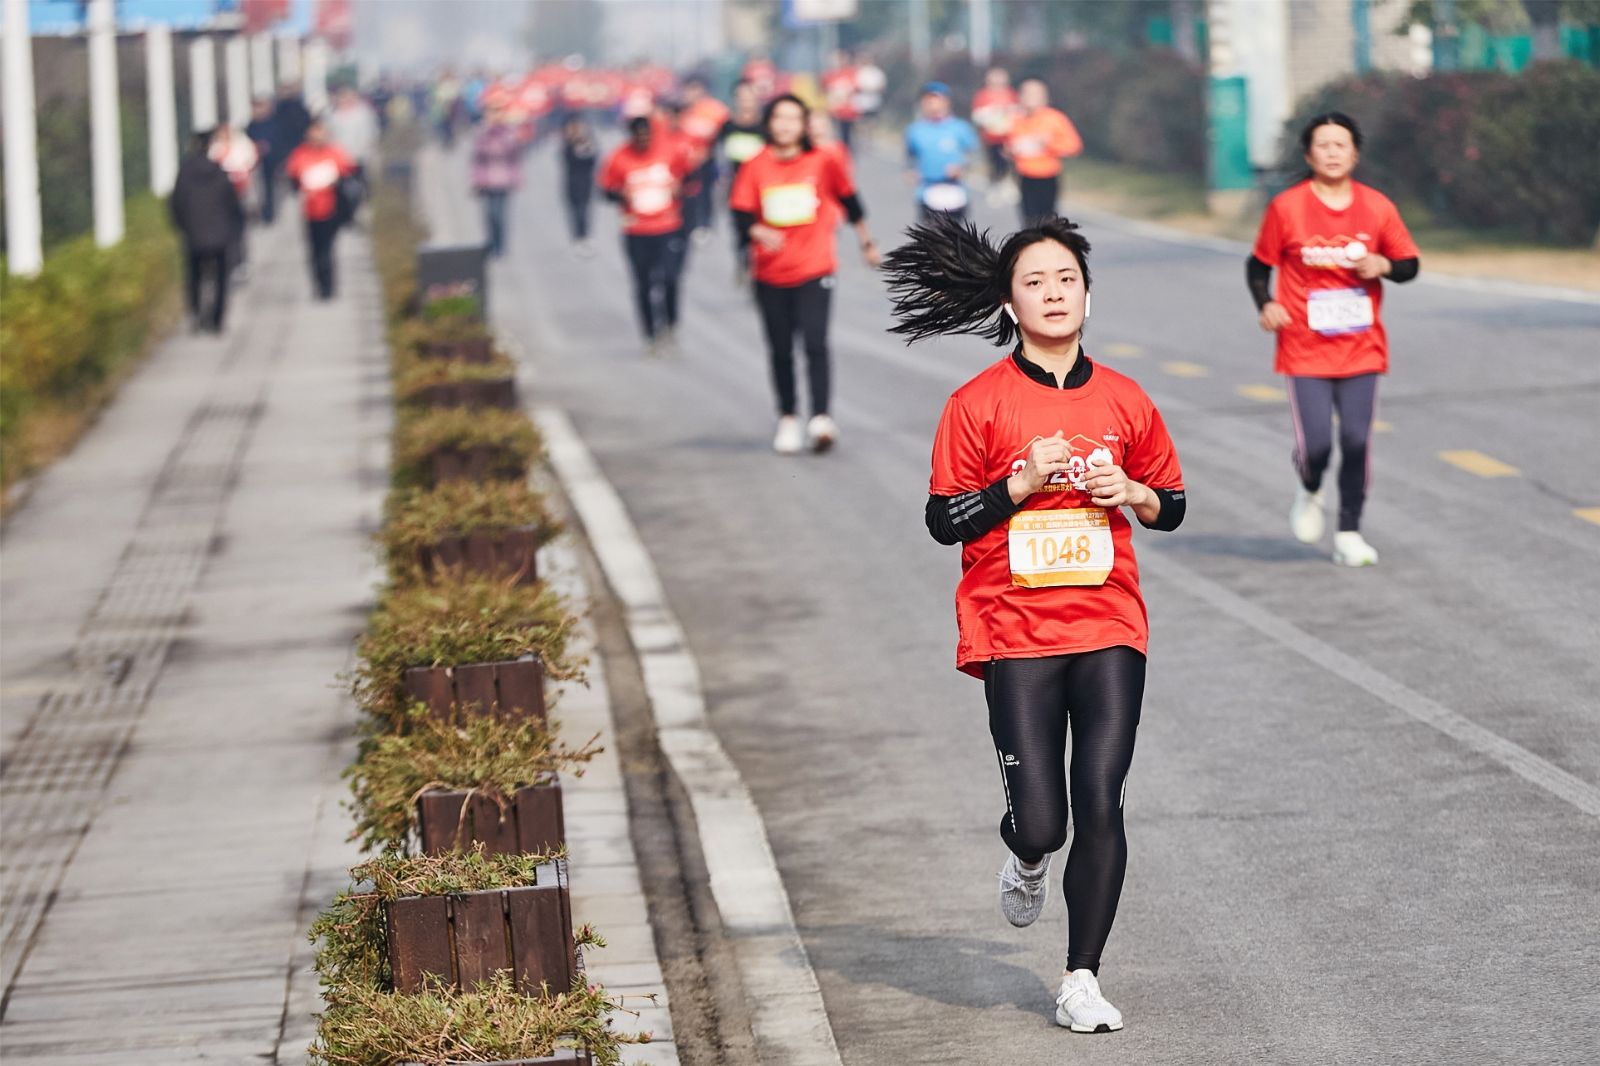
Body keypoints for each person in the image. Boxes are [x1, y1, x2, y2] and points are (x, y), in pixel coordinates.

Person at [882, 213, 1185, 1037]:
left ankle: (1081, 976)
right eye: (1035, 284)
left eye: (1066, 281)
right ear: (1010, 304)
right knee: (1045, 821)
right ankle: (1024, 854)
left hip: (1110, 624)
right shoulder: (977, 403)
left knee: (1103, 800)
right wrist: (1017, 487)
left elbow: (1173, 506)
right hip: (1014, 630)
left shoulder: (1126, 398)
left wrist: (1133, 494)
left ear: (1088, 295)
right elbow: (945, 520)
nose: (1053, 294)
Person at [1248, 111, 1419, 567]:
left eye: (1340, 144)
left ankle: (1348, 532)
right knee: (1318, 445)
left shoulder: (1377, 207)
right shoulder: (1287, 207)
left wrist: (1383, 265)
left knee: (1359, 441)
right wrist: (1267, 304)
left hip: (1362, 347)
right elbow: (1258, 265)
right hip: (1304, 348)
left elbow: (1409, 265)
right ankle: (1308, 488)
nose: (1332, 152)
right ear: (1309, 154)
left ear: (1355, 153)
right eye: (1322, 145)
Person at [729, 94, 880, 455]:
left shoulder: (822, 161)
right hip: (770, 273)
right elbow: (740, 214)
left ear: (804, 125)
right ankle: (788, 417)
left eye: (793, 119)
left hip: (815, 268)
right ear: (768, 123)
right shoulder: (754, 166)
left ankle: (821, 418)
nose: (785, 125)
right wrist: (756, 232)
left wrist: (866, 242)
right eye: (779, 118)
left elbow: (850, 199)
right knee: (781, 349)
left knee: (814, 343)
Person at [600, 115, 691, 355]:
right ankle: (650, 334)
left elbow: (691, 178)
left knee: (670, 279)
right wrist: (622, 195)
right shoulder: (619, 158)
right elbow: (606, 191)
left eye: (647, 136)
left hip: (668, 226)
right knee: (643, 283)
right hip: (636, 230)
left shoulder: (669, 152)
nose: (643, 141)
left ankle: (670, 326)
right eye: (638, 137)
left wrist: (679, 188)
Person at [169, 130, 245, 333]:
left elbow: (176, 204)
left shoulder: (184, 174)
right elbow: (233, 206)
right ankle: (217, 319)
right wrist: (233, 230)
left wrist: (183, 227)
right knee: (221, 277)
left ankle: (195, 313)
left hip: (194, 234)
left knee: (194, 276)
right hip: (220, 234)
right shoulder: (219, 173)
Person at [284, 118, 357, 300]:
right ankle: (319, 284)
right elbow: (293, 175)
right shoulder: (300, 154)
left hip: (332, 209)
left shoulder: (334, 152)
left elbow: (349, 170)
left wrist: (336, 181)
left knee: (327, 249)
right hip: (311, 210)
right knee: (315, 250)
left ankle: (329, 286)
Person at [1007, 80, 1082, 225]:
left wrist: (1049, 144)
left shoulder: (1055, 119)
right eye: (1026, 93)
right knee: (1029, 221)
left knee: (1047, 221)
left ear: (1045, 97)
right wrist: (1010, 150)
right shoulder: (1015, 119)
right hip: (1024, 176)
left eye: (1035, 93)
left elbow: (1073, 146)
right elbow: (1007, 145)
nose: (1030, 97)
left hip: (1048, 176)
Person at [905, 81, 979, 222]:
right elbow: (910, 157)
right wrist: (910, 171)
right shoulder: (915, 130)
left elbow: (973, 153)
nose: (932, 104)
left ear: (946, 102)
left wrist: (962, 167)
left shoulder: (960, 128)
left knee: (955, 239)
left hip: (954, 190)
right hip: (927, 191)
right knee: (931, 239)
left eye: (936, 100)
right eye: (928, 101)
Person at [718, 80, 767, 283]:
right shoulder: (727, 126)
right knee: (740, 228)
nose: (746, 101)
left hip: (763, 187)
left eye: (750, 97)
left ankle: (760, 265)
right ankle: (743, 261)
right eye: (742, 97)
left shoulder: (765, 126)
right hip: (736, 186)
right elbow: (718, 155)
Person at [678, 76, 729, 243]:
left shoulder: (715, 110)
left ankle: (705, 225)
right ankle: (688, 224)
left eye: (696, 90)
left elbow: (724, 136)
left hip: (707, 160)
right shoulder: (681, 111)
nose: (692, 94)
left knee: (705, 194)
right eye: (689, 90)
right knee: (688, 195)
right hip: (684, 162)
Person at [471, 100, 524, 258]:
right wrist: (475, 180)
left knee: (500, 214)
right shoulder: (481, 131)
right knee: (489, 214)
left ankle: (501, 245)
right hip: (486, 178)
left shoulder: (508, 131)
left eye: (497, 111)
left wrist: (516, 178)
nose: (494, 115)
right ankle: (492, 243)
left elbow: (514, 155)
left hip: (503, 178)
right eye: (491, 111)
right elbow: (476, 157)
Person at [971, 67, 1020, 204]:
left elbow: (1017, 111)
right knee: (994, 162)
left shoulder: (1011, 94)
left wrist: (1009, 113)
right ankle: (994, 186)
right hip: (990, 137)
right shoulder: (983, 95)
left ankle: (1008, 185)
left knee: (1009, 162)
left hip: (1008, 137)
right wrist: (990, 115)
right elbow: (977, 115)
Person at [560, 113, 599, 256]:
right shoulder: (567, 143)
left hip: (586, 182)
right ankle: (577, 236)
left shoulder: (588, 142)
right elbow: (568, 160)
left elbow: (592, 160)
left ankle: (584, 235)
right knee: (574, 211)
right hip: (571, 182)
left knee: (584, 210)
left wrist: (583, 142)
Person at [245, 97, 279, 223]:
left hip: (270, 165)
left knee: (269, 191)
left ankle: (269, 215)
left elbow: (279, 144)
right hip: (255, 165)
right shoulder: (251, 126)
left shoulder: (274, 124)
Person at [821, 50, 860, 150]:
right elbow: (824, 90)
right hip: (832, 110)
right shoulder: (829, 75)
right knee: (830, 136)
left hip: (846, 111)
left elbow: (855, 88)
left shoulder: (850, 73)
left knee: (845, 137)